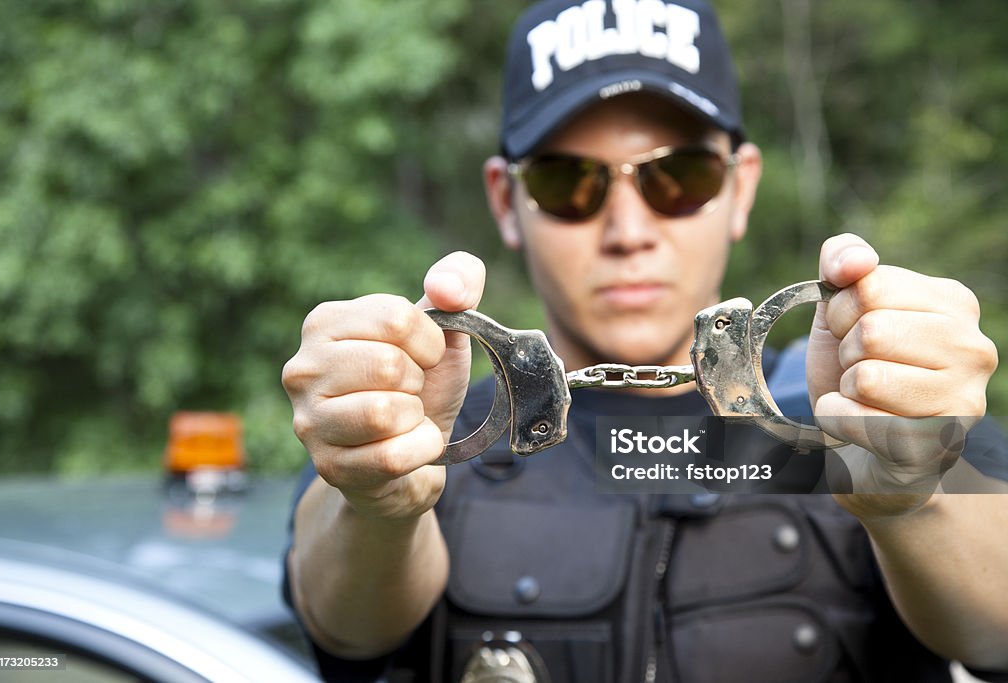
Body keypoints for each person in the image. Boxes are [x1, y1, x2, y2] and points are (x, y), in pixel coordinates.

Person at [281, 1, 1008, 680]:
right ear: (507, 201)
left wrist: (913, 495)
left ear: (740, 187)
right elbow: (343, 626)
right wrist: (375, 501)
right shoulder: (424, 432)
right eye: (569, 183)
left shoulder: (873, 408)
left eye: (678, 177)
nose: (629, 233)